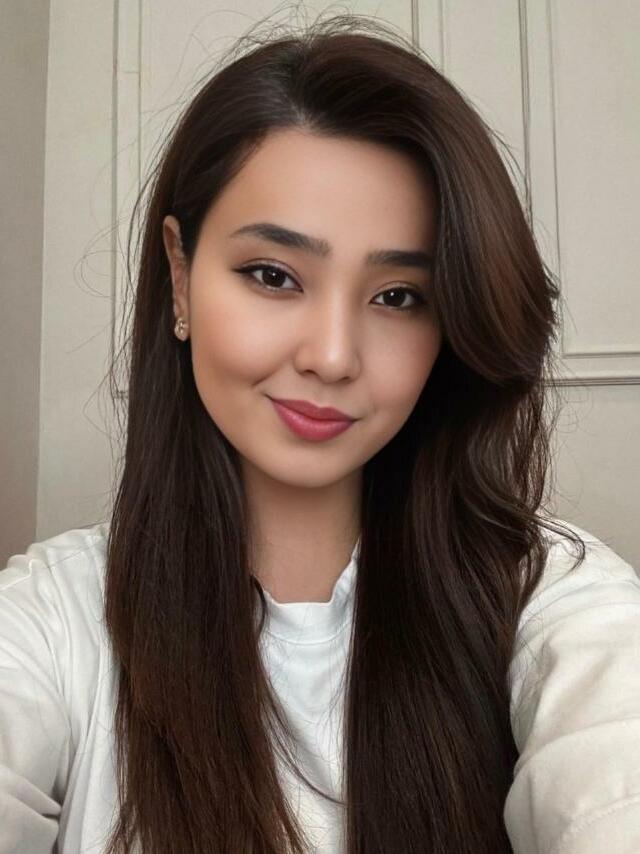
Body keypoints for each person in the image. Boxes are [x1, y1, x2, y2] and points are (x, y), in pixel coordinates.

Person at [1, 13, 639, 854]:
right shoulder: (53, 620)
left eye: (398, 297)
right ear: (181, 277)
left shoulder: (551, 597)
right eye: (273, 276)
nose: (333, 357)